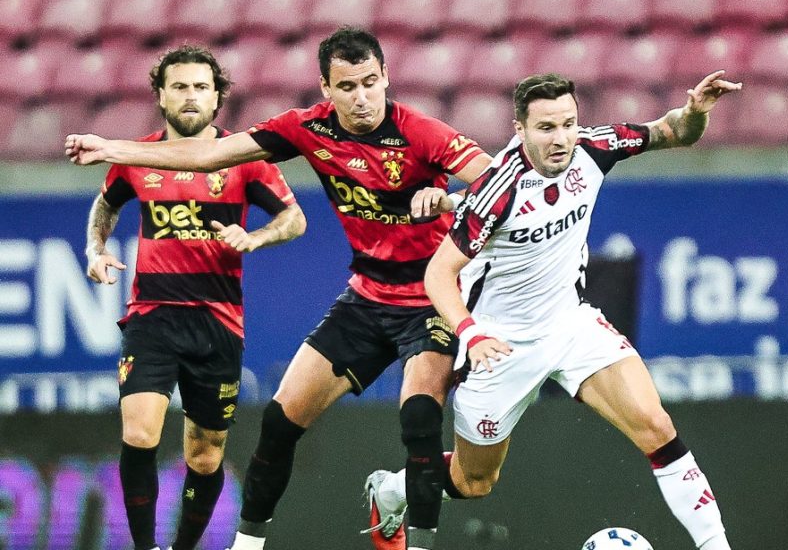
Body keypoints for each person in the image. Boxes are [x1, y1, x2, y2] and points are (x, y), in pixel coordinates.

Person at [66, 27, 494, 550]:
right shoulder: (306, 128)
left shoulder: (422, 132)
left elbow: (497, 183)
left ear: (386, 78)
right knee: (278, 421)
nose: (361, 97)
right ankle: (246, 546)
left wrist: (445, 197)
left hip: (430, 295)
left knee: (420, 420)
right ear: (326, 88)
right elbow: (206, 156)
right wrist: (111, 147)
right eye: (347, 86)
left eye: (370, 82)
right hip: (364, 298)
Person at [364, 71, 742, 550]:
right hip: (500, 346)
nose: (561, 138)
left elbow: (672, 132)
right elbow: (439, 274)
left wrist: (694, 113)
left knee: (657, 427)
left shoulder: (594, 147)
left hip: (572, 325)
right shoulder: (496, 190)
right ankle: (393, 488)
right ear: (519, 130)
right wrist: (472, 333)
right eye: (546, 128)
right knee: (476, 481)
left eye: (568, 124)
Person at [83, 45, 306, 550]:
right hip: (152, 316)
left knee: (205, 457)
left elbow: (295, 218)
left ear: (217, 97)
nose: (190, 97)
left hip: (218, 321)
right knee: (140, 433)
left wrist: (256, 237)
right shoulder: (138, 157)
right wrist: (95, 249)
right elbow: (106, 204)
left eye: (200, 87)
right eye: (179, 86)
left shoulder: (245, 160)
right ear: (161, 96)